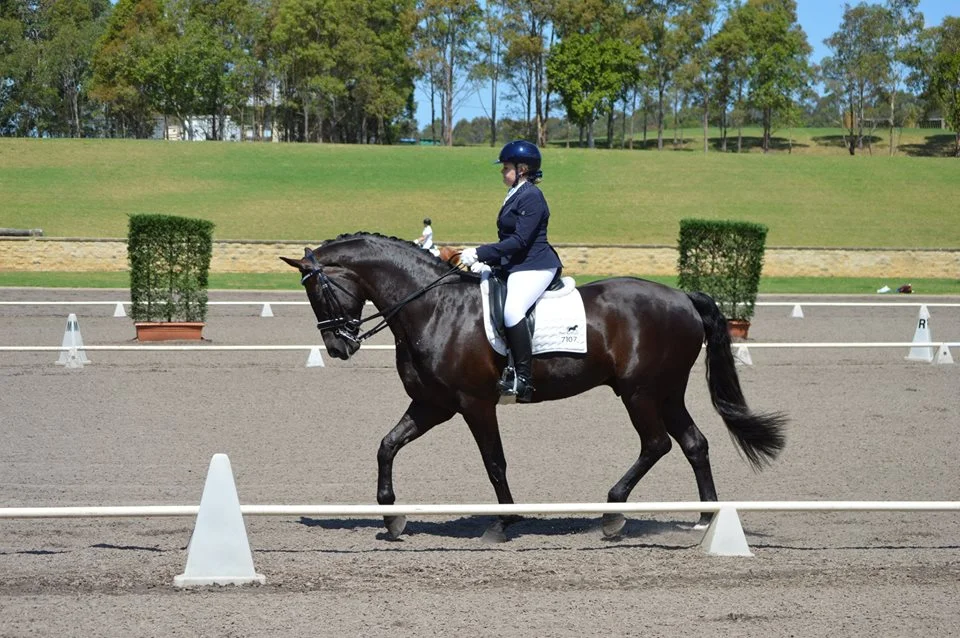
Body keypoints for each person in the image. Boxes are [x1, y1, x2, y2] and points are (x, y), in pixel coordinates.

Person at [459, 140, 562, 403]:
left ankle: (524, 378)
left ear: (523, 168)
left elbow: (520, 241)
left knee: (513, 311)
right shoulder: (516, 192)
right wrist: (491, 264)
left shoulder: (532, 196)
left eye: (506, 167)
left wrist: (481, 253)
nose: (502, 172)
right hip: (517, 264)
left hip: (536, 265)